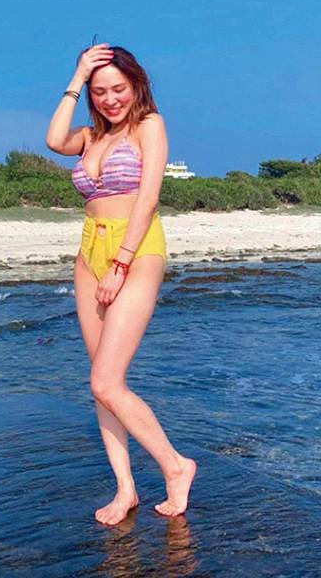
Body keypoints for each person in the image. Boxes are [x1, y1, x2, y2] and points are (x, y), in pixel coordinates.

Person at [46, 43, 197, 526]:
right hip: (89, 252)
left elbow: (148, 198)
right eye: (100, 91)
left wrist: (122, 263)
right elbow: (53, 140)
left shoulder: (149, 125)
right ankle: (125, 487)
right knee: (103, 384)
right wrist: (77, 77)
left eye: (119, 89)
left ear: (136, 85)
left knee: (106, 380)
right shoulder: (89, 136)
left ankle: (176, 466)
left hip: (137, 248)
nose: (110, 99)